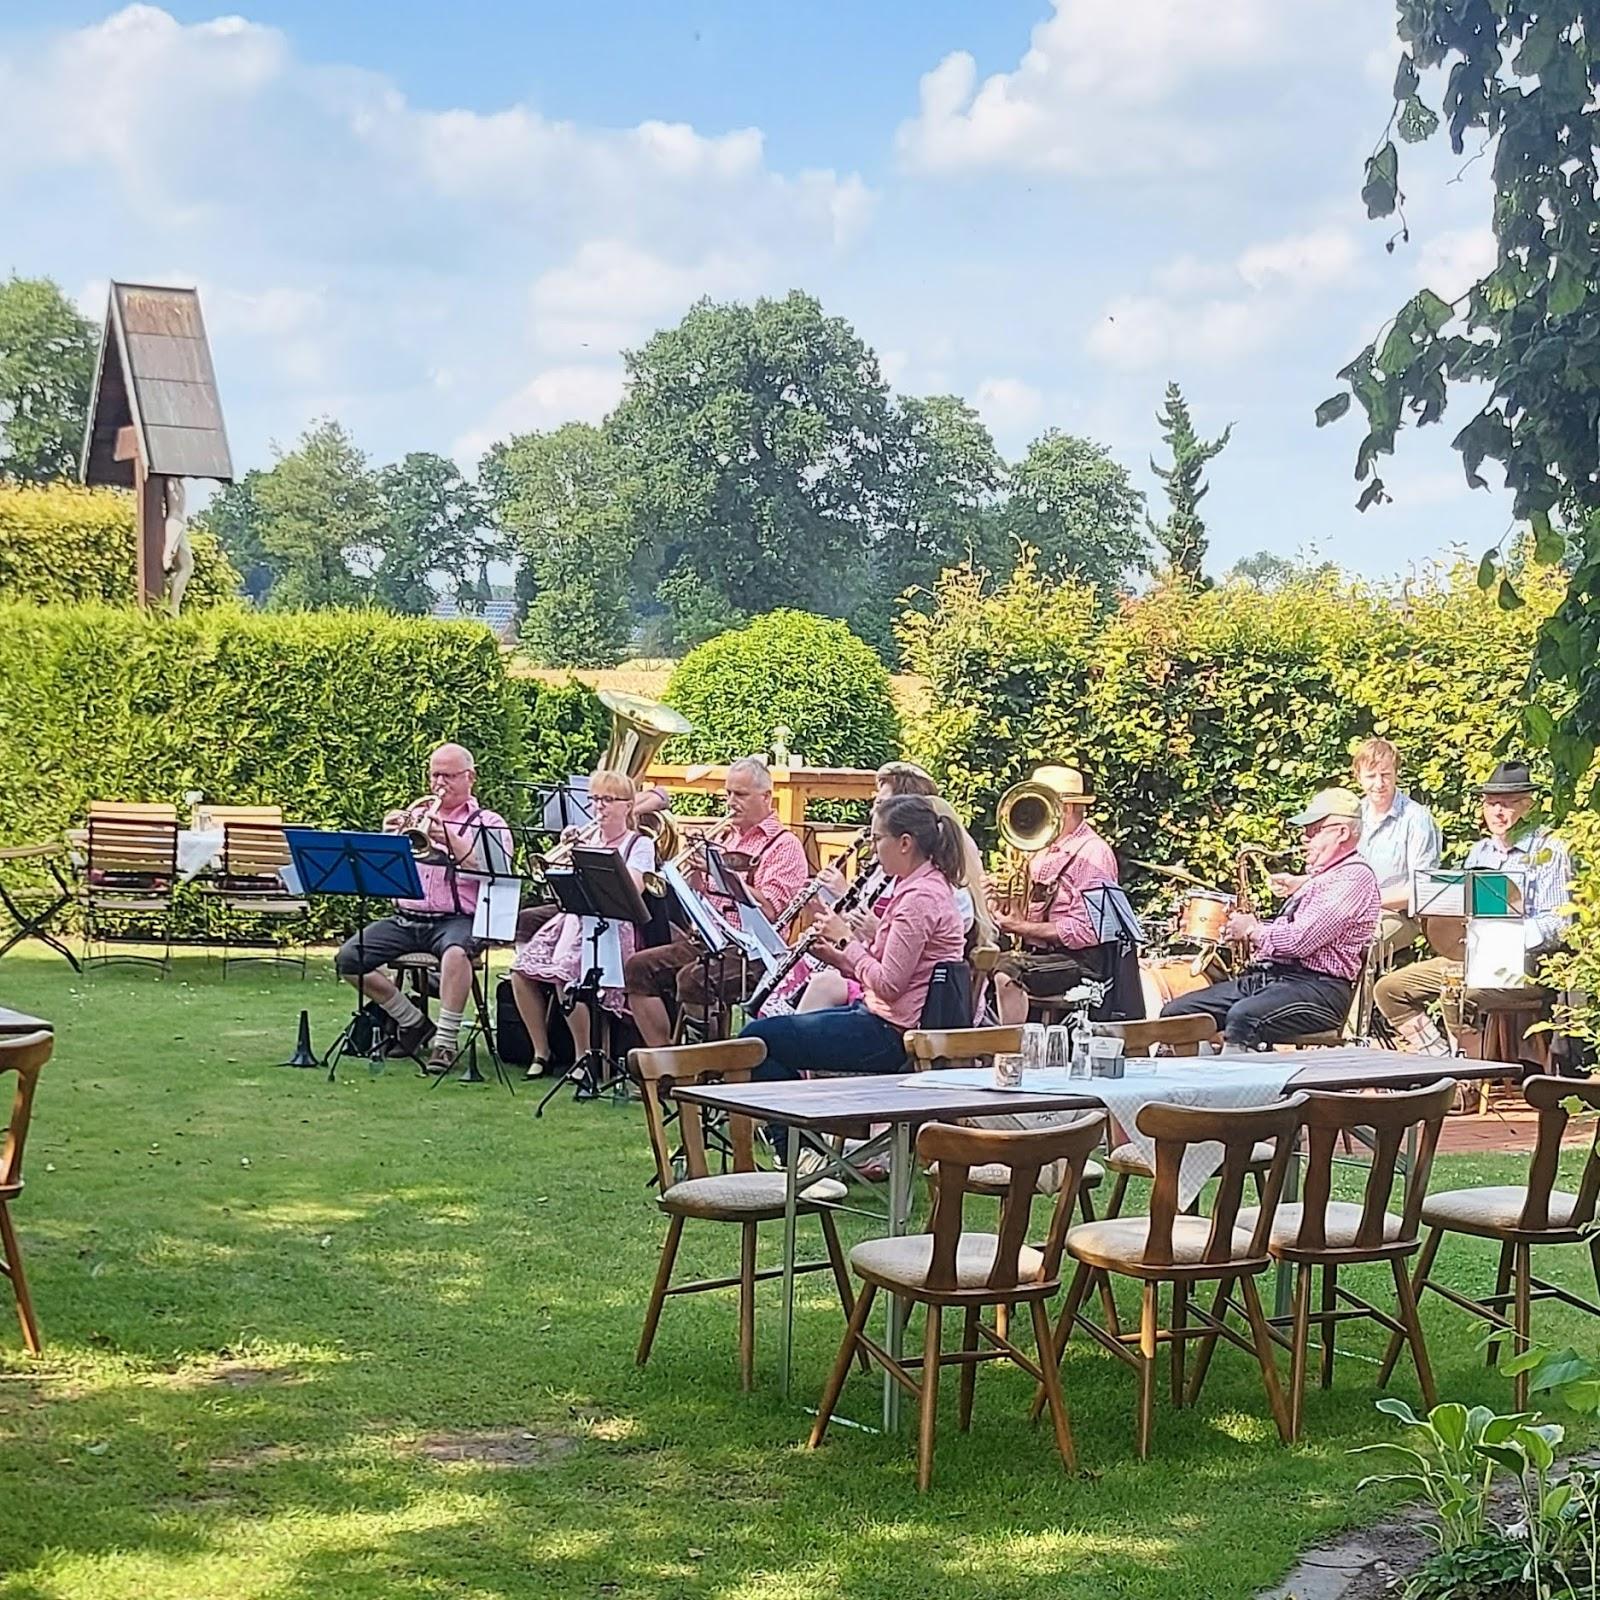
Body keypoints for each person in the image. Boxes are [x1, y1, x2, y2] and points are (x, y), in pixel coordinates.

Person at [740, 794, 967, 1151]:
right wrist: (836, 955)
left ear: (905, 843)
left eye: (879, 839)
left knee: (757, 1041)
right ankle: (806, 1146)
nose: (874, 850)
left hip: (894, 1036)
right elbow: (881, 966)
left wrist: (845, 940)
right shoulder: (917, 887)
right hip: (884, 1020)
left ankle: (800, 1151)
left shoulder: (919, 899)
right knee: (763, 1036)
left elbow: (889, 985)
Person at [1374, 761, 1575, 1054]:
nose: (1498, 812)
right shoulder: (1478, 851)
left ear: (1528, 806)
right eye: (1491, 803)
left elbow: (1560, 923)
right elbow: (1462, 911)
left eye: (1508, 804)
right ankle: (1440, 1059)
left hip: (1525, 965)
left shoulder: (1550, 850)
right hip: (1472, 959)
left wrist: (1510, 935)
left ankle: (1468, 1076)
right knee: (1389, 990)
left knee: (1457, 992)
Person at [334, 743, 512, 1074]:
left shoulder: (488, 822)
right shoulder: (417, 815)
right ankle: (412, 1020)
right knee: (348, 958)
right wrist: (389, 840)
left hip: (459, 918)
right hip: (407, 917)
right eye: (434, 775)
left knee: (457, 954)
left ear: (470, 777)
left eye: (449, 776)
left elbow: (492, 870)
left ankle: (445, 1042)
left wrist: (446, 836)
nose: (439, 784)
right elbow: (385, 872)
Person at [1161, 787, 1380, 1048]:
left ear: (1342, 832)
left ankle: (1243, 1086)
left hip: (1320, 989)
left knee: (1244, 1017)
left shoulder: (1353, 878)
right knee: (1177, 1015)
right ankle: (1194, 1078)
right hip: (1276, 980)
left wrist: (1253, 930)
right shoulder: (1324, 878)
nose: (1304, 837)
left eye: (1313, 829)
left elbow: (1300, 940)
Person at [624, 756, 809, 1045]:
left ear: (766, 797)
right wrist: (694, 874)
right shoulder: (723, 835)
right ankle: (664, 1060)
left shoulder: (785, 845)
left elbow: (773, 910)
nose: (731, 802)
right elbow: (699, 898)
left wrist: (721, 872)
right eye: (729, 793)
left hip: (754, 952)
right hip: (709, 940)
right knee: (637, 967)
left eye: (741, 795)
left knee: (695, 980)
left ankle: (708, 1065)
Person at [509, 769, 655, 1079]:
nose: (599, 807)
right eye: (595, 799)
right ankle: (541, 1050)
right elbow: (559, 889)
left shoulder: (639, 844)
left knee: (565, 976)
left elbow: (632, 890)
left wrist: (594, 860)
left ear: (628, 805)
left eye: (608, 800)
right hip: (575, 920)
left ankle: (583, 1057)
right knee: (520, 972)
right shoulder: (586, 837)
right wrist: (568, 857)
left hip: (615, 926)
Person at [1271, 737, 1439, 959]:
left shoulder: (1417, 819)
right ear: (1358, 777)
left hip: (1395, 915)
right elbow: (1333, 873)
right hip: (1342, 909)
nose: (1379, 784)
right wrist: (1299, 882)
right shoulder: (1351, 813)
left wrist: (1363, 901)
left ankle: (1355, 995)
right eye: (1371, 776)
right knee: (1300, 936)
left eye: (1386, 775)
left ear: (1396, 774)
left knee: (1355, 946)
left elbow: (1422, 889)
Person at [990, 766, 1119, 1025]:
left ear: (1068, 807)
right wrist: (998, 900)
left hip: (1079, 961)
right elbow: (1022, 912)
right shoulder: (1039, 848)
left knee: (1008, 972)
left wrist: (1022, 926)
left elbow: (1089, 930)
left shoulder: (1094, 853)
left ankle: (1013, 1050)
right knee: (977, 962)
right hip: (1038, 952)